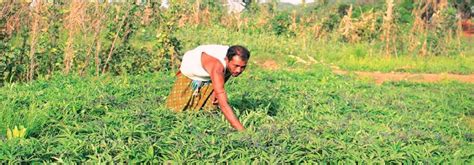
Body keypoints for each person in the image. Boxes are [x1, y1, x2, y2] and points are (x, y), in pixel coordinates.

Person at [166, 45, 250, 131]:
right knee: (175, 110)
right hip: (191, 68)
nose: (238, 70)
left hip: (211, 69)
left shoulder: (232, 57)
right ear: (226, 60)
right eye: (236, 66)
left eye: (243, 67)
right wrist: (242, 130)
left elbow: (226, 72)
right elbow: (224, 104)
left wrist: (216, 92)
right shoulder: (217, 67)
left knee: (209, 111)